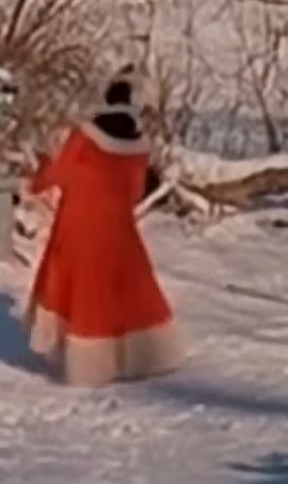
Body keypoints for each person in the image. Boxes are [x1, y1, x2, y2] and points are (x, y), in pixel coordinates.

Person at [21, 69, 187, 387]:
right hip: (118, 230)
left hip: (76, 227)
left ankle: (83, 365)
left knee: (78, 294)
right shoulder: (139, 147)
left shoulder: (84, 137)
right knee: (127, 291)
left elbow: (59, 175)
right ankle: (141, 357)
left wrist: (38, 174)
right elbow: (135, 193)